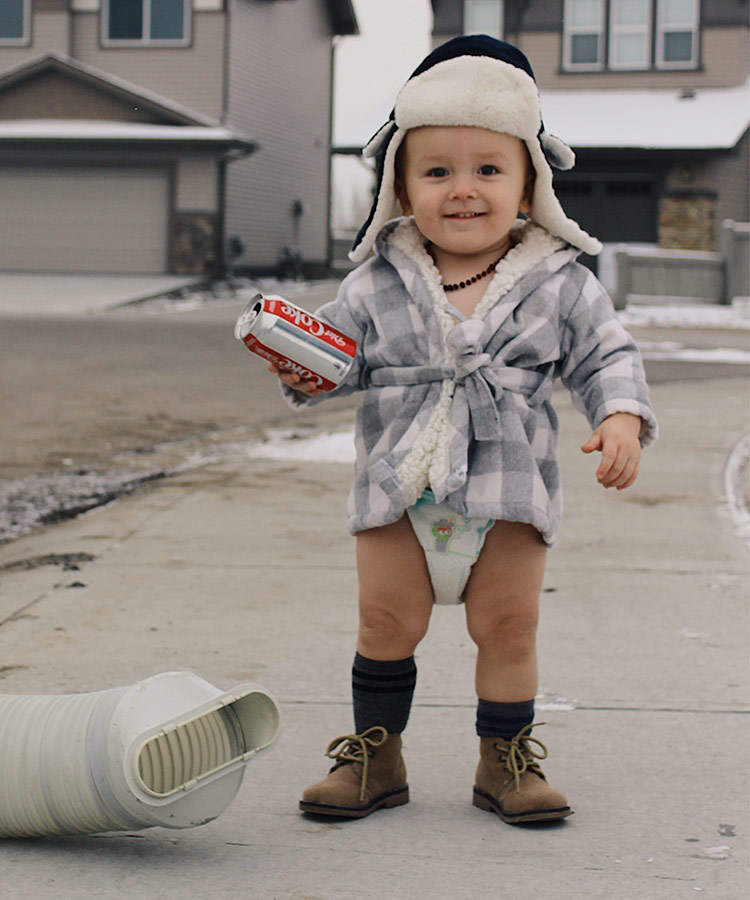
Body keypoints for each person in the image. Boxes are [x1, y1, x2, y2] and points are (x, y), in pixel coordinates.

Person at [268, 35, 657, 825]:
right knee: (385, 621)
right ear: (403, 190)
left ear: (528, 184)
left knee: (508, 627)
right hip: (399, 486)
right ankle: (376, 755)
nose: (464, 190)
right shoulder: (376, 281)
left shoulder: (561, 281)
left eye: (489, 169)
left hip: (509, 488)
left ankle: (504, 762)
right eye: (437, 171)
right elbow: (335, 360)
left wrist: (618, 415)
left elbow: (605, 354)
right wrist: (303, 367)